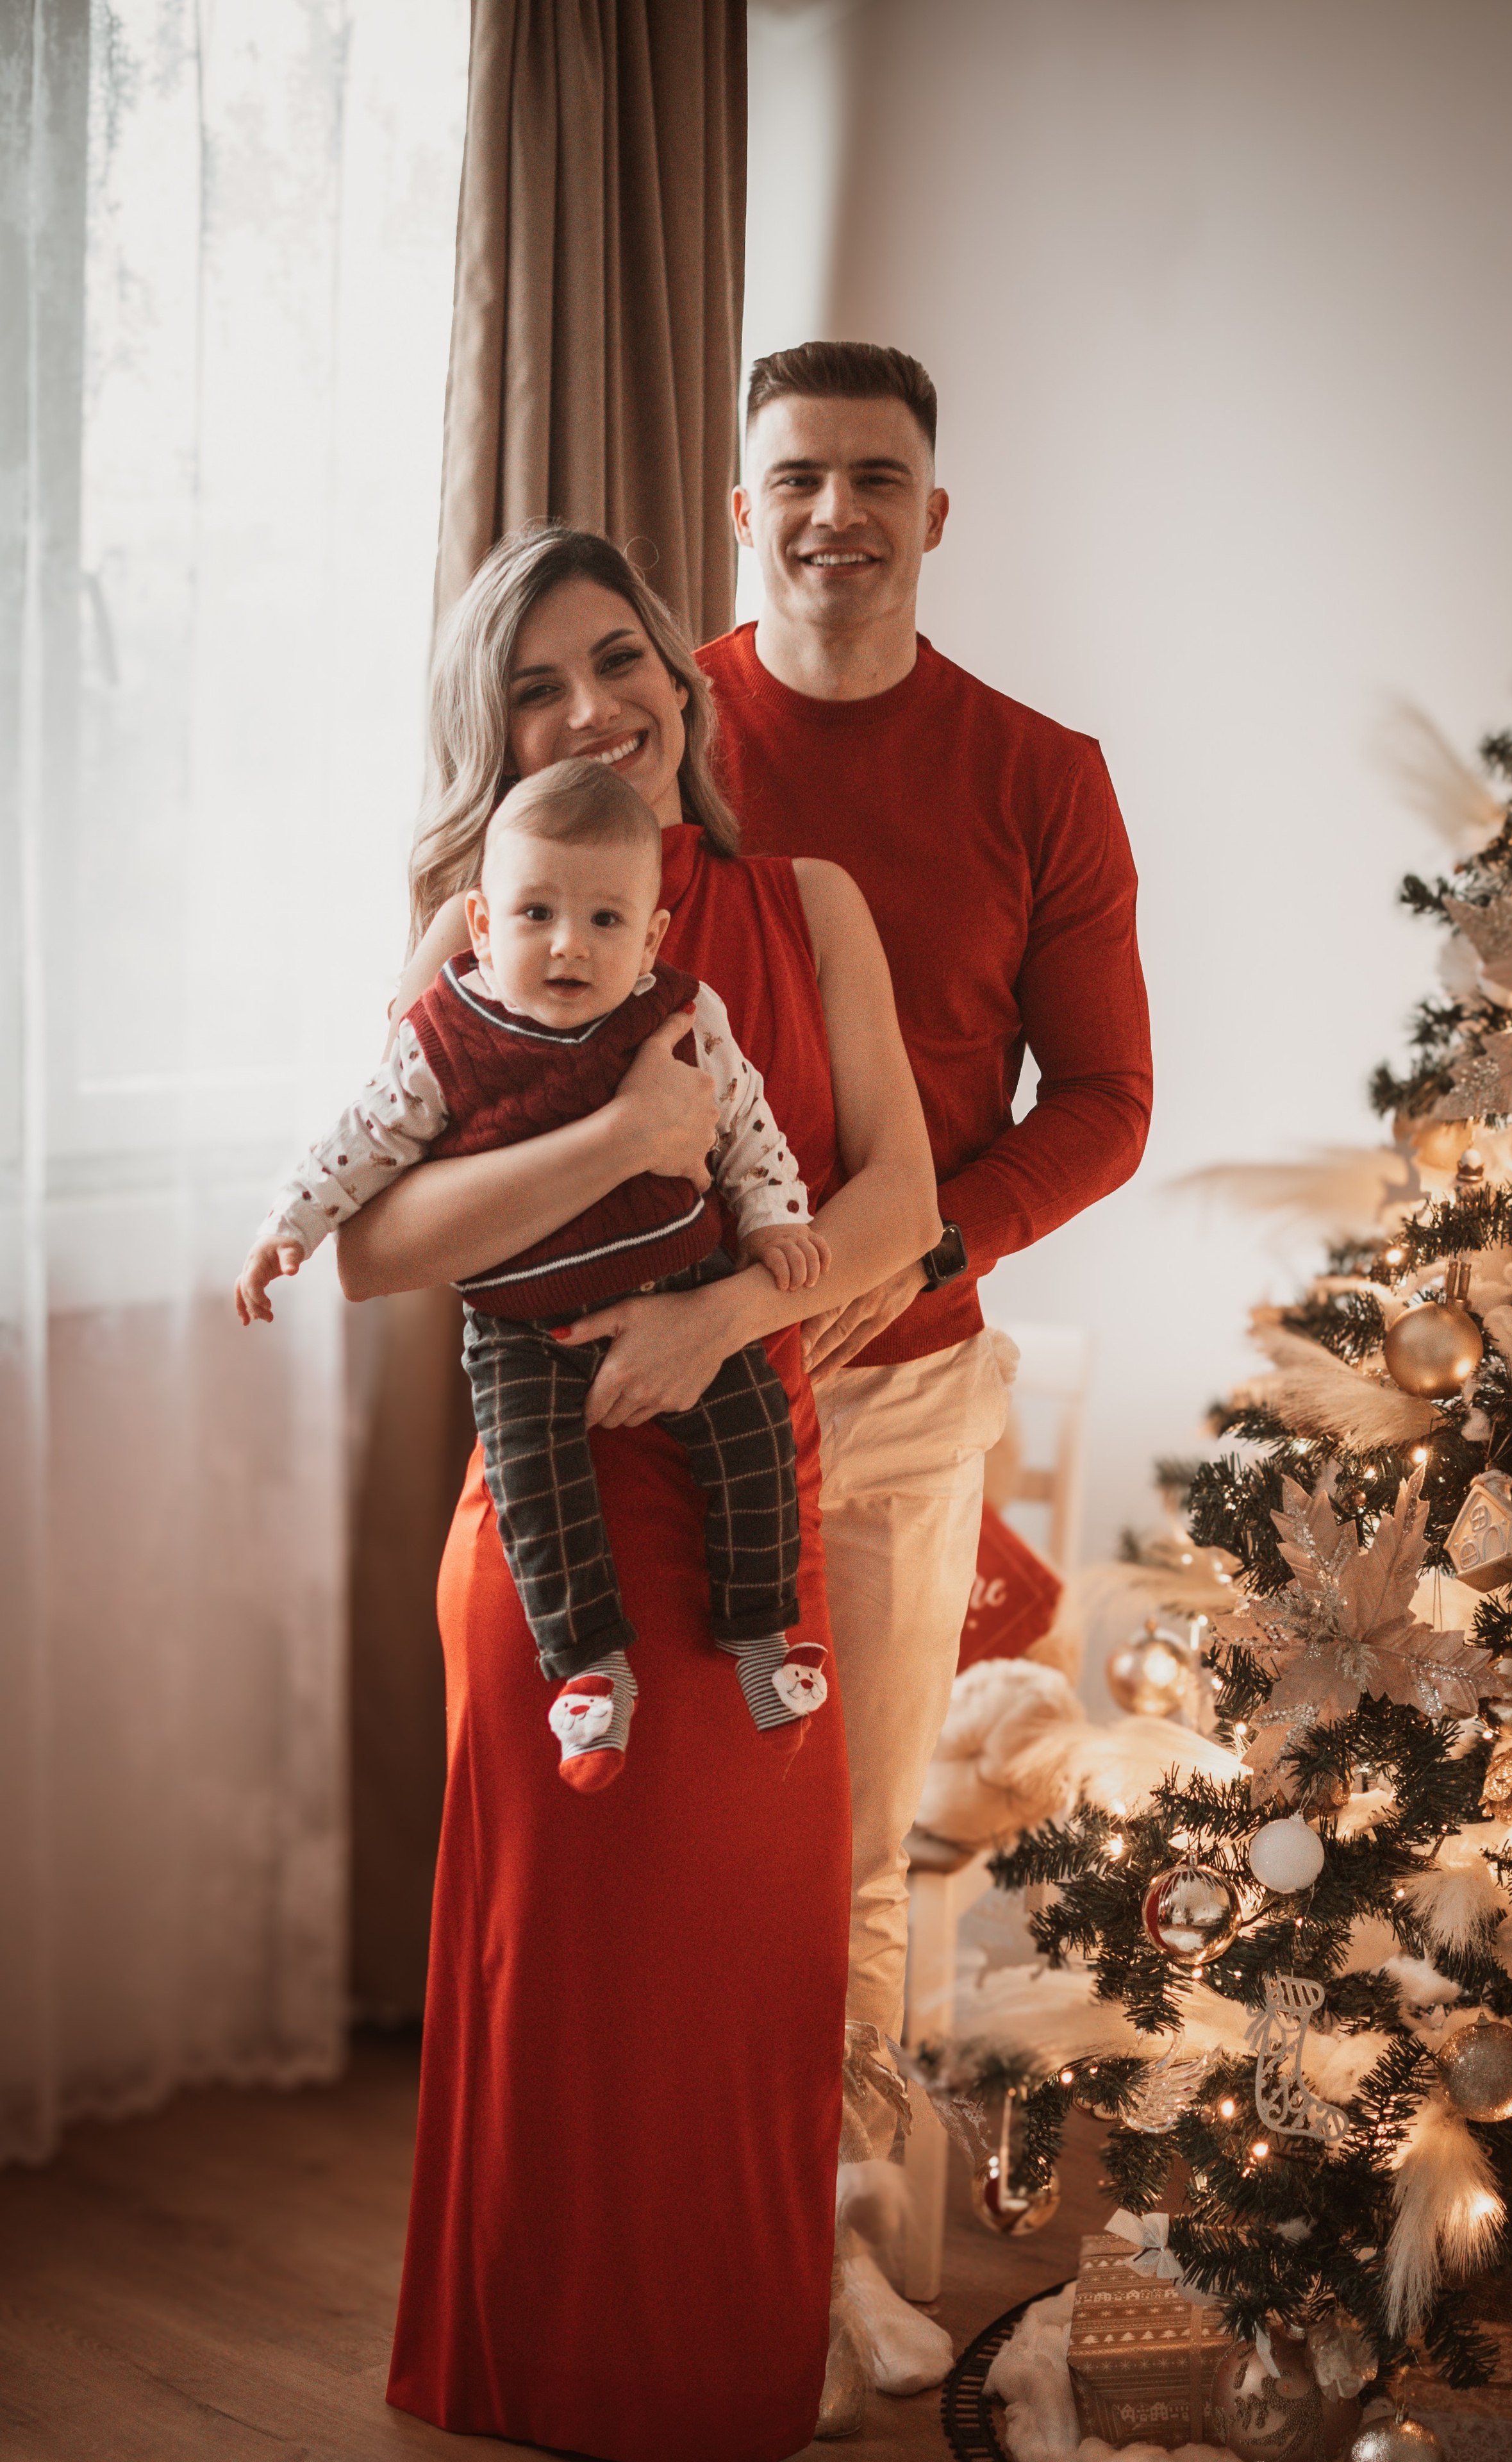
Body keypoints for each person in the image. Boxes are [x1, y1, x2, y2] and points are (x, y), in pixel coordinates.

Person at [341, 523, 940, 2461]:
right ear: (495, 733)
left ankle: (710, 2377)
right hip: (547, 1518)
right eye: (537, 683)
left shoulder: (815, 905)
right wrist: (622, 1133)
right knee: (565, 1973)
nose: (593, 702)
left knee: (746, 1955)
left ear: (684, 686)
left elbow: (903, 1210)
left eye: (620, 660)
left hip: (741, 1485)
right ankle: (534, 2373)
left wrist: (710, 1316)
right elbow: (377, 1245)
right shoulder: (471, 930)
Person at [701, 338, 1152, 2056]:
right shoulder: (660, 742)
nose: (837, 513)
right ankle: (693, 2234)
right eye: (800, 479)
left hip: (907, 1383)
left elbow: (1107, 1100)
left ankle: (844, 2269)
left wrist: (932, 1239)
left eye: (876, 478)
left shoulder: (1042, 775)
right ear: (747, 512)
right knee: (688, 1839)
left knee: (866, 1854)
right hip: (680, 1380)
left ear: (936, 512)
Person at [238, 760, 831, 1789]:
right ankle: (591, 1676)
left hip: (681, 1284)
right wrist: (288, 1226)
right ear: (480, 921)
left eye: (607, 920)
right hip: (523, 1327)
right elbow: (365, 1138)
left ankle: (762, 1643)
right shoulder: (446, 1037)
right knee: (534, 1485)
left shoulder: (679, 1017)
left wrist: (777, 1221)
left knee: (752, 1440)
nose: (570, 943)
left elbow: (749, 1126)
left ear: (650, 939)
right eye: (537, 912)